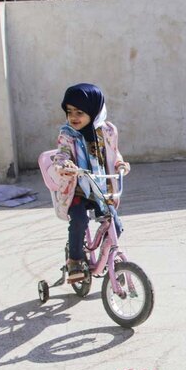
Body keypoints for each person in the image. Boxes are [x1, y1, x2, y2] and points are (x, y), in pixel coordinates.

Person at [42, 83, 130, 283]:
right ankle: (74, 259)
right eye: (69, 112)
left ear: (94, 111)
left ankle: (106, 257)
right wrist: (64, 166)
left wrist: (120, 164)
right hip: (78, 190)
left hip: (100, 188)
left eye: (80, 112)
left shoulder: (107, 131)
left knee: (115, 224)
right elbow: (61, 154)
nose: (73, 117)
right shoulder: (67, 135)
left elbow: (113, 153)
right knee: (79, 221)